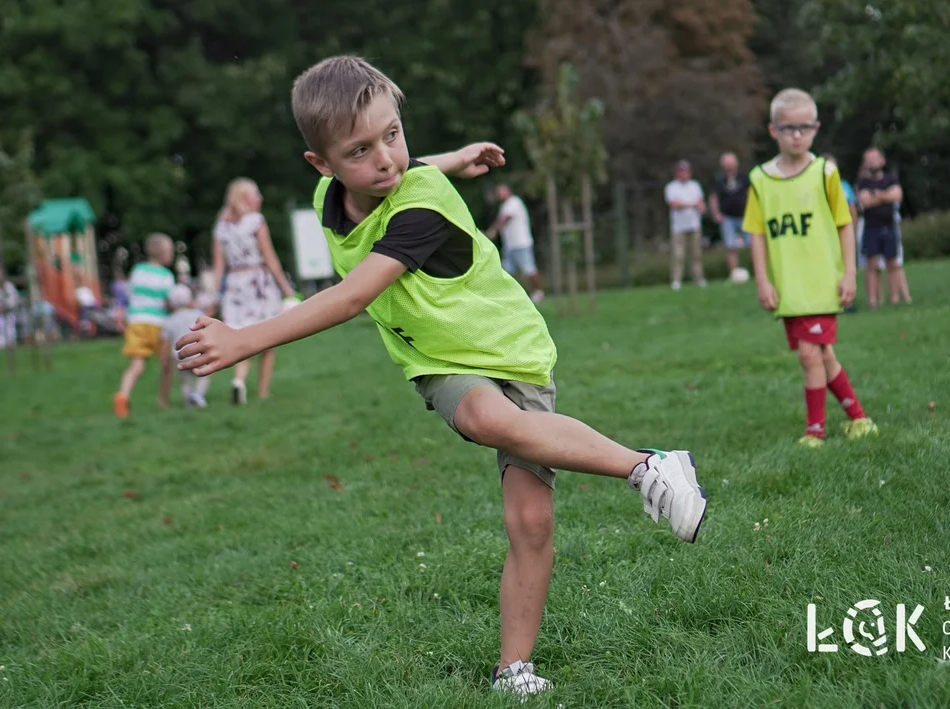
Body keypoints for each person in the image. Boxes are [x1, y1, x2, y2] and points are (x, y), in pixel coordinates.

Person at [175, 55, 708, 698]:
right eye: (361, 149)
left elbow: (350, 298)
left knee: (532, 522)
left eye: (394, 134)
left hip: (513, 349)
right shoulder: (332, 197)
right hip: (442, 363)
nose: (386, 160)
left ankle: (639, 480)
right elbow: (406, 181)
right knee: (490, 433)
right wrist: (456, 156)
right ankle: (630, 487)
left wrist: (246, 339)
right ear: (322, 166)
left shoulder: (418, 208)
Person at [743, 88, 878, 448]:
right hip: (789, 287)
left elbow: (845, 223)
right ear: (773, 130)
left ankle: (815, 430)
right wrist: (762, 280)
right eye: (788, 128)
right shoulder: (760, 179)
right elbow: (755, 233)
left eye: (805, 127)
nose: (797, 134)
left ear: (816, 129)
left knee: (808, 354)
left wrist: (850, 273)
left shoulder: (825, 173)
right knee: (822, 354)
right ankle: (859, 419)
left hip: (822, 283)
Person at [212, 178, 297, 404]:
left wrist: (214, 296)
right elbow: (270, 258)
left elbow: (218, 267)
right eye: (256, 194)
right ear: (244, 198)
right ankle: (263, 392)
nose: (260, 198)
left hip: (235, 285)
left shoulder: (221, 227)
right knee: (268, 337)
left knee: (241, 336)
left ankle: (239, 380)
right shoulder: (255, 221)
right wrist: (286, 288)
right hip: (258, 283)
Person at [113, 233, 175, 418]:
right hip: (158, 324)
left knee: (136, 366)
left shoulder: (138, 270)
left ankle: (122, 395)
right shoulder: (166, 276)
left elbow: (129, 295)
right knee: (166, 364)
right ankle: (163, 401)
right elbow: (169, 302)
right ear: (163, 254)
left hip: (137, 322)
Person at [855, 147, 908, 309]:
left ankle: (894, 299)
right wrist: (886, 196)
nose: (872, 162)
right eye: (868, 159)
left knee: (892, 263)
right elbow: (865, 201)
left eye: (874, 158)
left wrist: (876, 195)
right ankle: (873, 301)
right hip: (871, 228)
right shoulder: (862, 182)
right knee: (871, 265)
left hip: (889, 226)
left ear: (882, 161)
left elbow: (897, 195)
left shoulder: (891, 179)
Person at [486, 183, 544, 302]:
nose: (500, 194)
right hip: (510, 245)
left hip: (521, 243)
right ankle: (510, 297)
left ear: (508, 191)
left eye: (502, 191)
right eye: (499, 192)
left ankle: (538, 292)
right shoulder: (505, 206)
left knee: (528, 269)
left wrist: (492, 231)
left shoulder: (514, 202)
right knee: (507, 271)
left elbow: (505, 219)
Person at [159, 284, 211, 409]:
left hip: (180, 355)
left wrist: (164, 359)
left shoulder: (169, 320)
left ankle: (188, 401)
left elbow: (165, 342)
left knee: (185, 380)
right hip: (197, 352)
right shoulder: (197, 314)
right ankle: (198, 394)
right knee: (204, 373)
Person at [664, 159, 707, 289]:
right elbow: (674, 204)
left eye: (686, 171)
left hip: (694, 225)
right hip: (678, 227)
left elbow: (700, 203)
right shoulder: (671, 187)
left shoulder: (695, 185)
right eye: (681, 171)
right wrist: (691, 204)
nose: (684, 173)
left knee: (696, 254)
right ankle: (676, 280)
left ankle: (699, 279)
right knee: (678, 255)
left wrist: (696, 205)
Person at [709, 152, 750, 275]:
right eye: (727, 163)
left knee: (753, 245)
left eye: (731, 163)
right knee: (730, 246)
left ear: (736, 164)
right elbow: (714, 197)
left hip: (745, 217)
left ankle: (757, 272)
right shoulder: (719, 180)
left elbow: (751, 194)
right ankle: (734, 273)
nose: (729, 166)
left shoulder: (744, 178)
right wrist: (716, 213)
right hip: (727, 218)